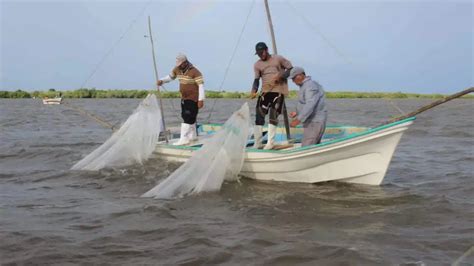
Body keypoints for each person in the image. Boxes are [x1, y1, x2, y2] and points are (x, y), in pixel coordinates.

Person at [250, 42, 293, 150]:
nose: (261, 55)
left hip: (278, 91)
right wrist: (254, 90)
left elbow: (290, 69)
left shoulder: (278, 59)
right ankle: (258, 143)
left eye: (262, 52)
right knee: (259, 116)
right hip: (265, 92)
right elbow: (256, 80)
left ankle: (270, 143)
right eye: (259, 54)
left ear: (267, 50)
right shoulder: (257, 64)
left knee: (273, 115)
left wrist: (280, 76)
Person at [157, 53, 205, 145]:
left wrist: (201, 100)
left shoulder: (195, 72)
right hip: (184, 98)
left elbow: (201, 86)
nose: (179, 66)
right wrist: (162, 81)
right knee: (188, 117)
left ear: (185, 62)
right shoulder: (177, 69)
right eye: (178, 64)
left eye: (181, 64)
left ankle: (184, 139)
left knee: (188, 117)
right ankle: (192, 136)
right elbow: (170, 77)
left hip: (193, 98)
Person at [288, 66, 327, 146]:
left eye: (293, 78)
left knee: (307, 147)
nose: (293, 81)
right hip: (311, 122)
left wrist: (298, 120)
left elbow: (310, 104)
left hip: (314, 122)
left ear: (300, 75)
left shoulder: (310, 86)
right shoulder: (305, 86)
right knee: (312, 147)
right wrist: (297, 112)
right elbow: (306, 103)